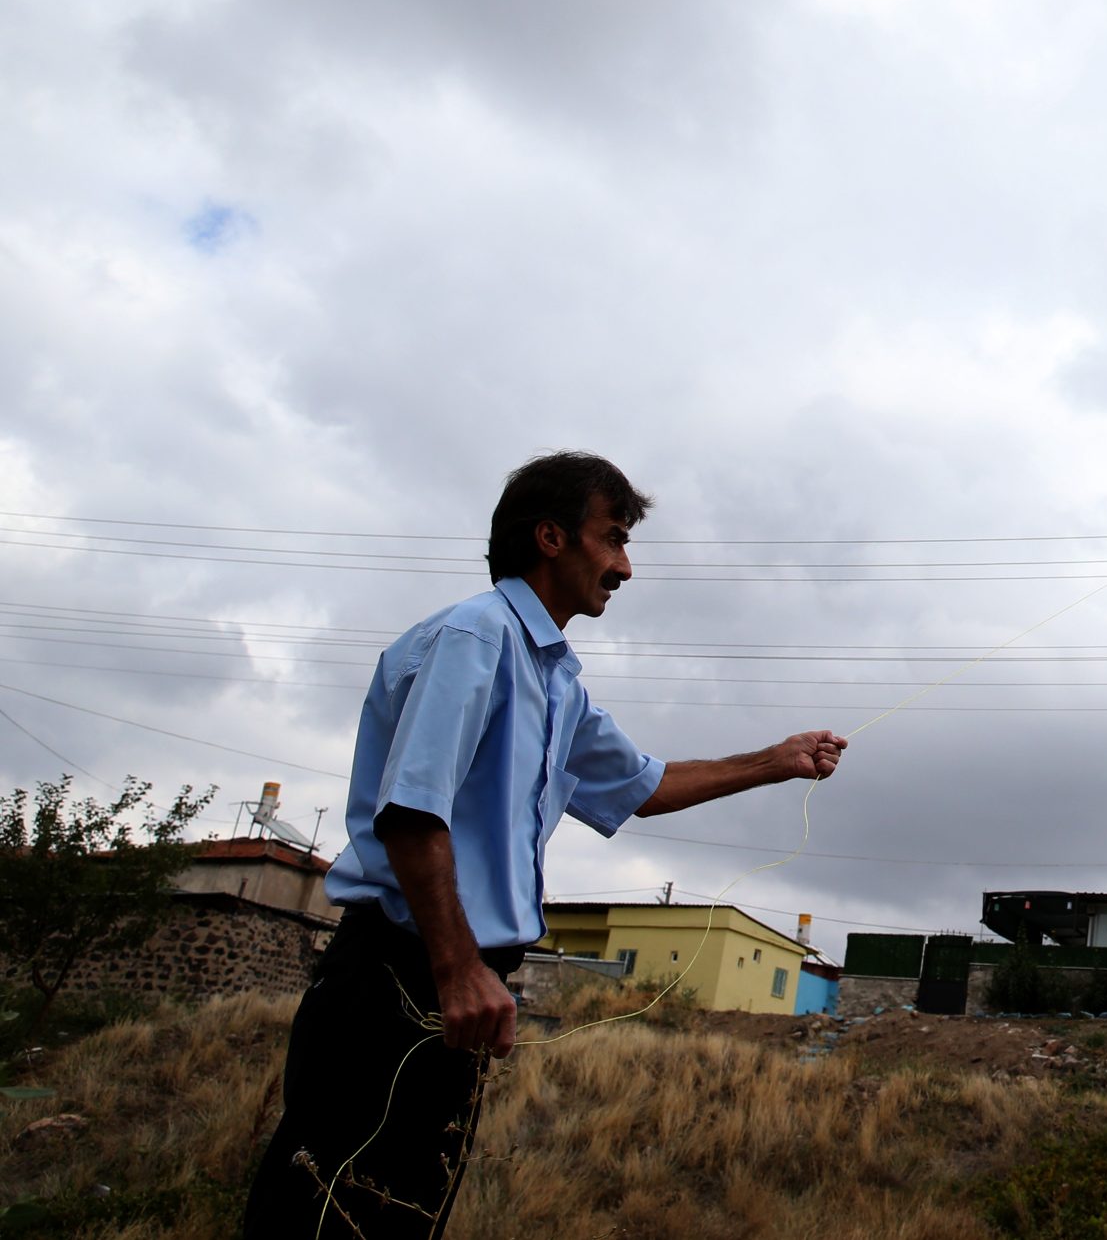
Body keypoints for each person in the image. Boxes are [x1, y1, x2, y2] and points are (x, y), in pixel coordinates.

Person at [242, 452, 847, 1238]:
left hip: (456, 998)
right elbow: (411, 814)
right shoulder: (475, 636)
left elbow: (645, 784)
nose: (626, 567)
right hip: (395, 982)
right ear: (552, 537)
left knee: (398, 1218)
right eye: (615, 538)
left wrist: (777, 760)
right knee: (324, 1218)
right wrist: (457, 968)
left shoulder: (558, 680)